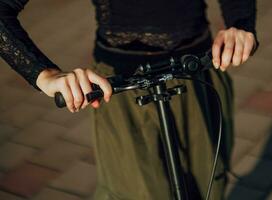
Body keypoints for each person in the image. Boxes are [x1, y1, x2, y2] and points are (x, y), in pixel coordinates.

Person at [0, 0, 258, 199]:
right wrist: (44, 74)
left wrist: (242, 24)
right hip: (121, 86)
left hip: (198, 73)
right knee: (135, 191)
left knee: (209, 184)